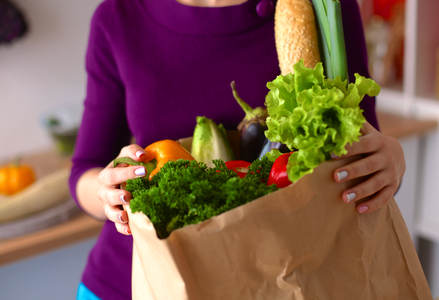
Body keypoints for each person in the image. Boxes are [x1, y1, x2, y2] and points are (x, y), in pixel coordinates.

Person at [69, 0, 406, 298]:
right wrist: (109, 190)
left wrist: (391, 160)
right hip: (140, 281)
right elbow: (84, 170)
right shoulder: (117, 17)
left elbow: (359, 149)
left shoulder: (322, 7)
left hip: (280, 279)